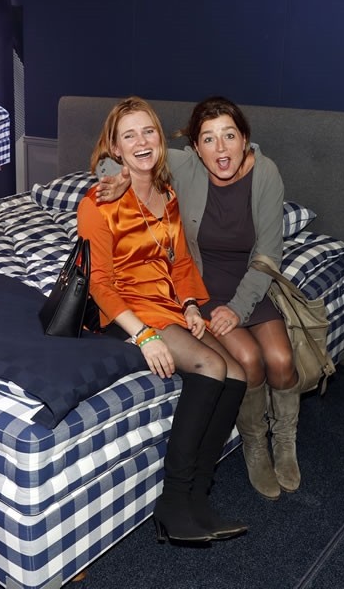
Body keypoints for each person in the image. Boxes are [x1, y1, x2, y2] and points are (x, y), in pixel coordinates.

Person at [98, 96, 298, 501]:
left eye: (229, 136)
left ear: (245, 139)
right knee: (248, 360)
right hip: (202, 286)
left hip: (251, 282)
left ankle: (285, 440)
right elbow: (122, 155)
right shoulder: (184, 165)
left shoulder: (266, 173)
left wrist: (239, 308)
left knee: (281, 360)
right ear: (195, 146)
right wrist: (119, 176)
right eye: (208, 139)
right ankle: (255, 444)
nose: (220, 148)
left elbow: (268, 256)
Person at [77, 96, 248, 545]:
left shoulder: (167, 196)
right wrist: (145, 335)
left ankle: (198, 496)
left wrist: (191, 305)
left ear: (160, 138)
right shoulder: (98, 202)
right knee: (211, 366)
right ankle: (172, 503)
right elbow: (98, 283)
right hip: (124, 309)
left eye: (148, 131)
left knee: (237, 374)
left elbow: (181, 262)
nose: (141, 141)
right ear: (115, 148)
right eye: (128, 135)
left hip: (167, 302)